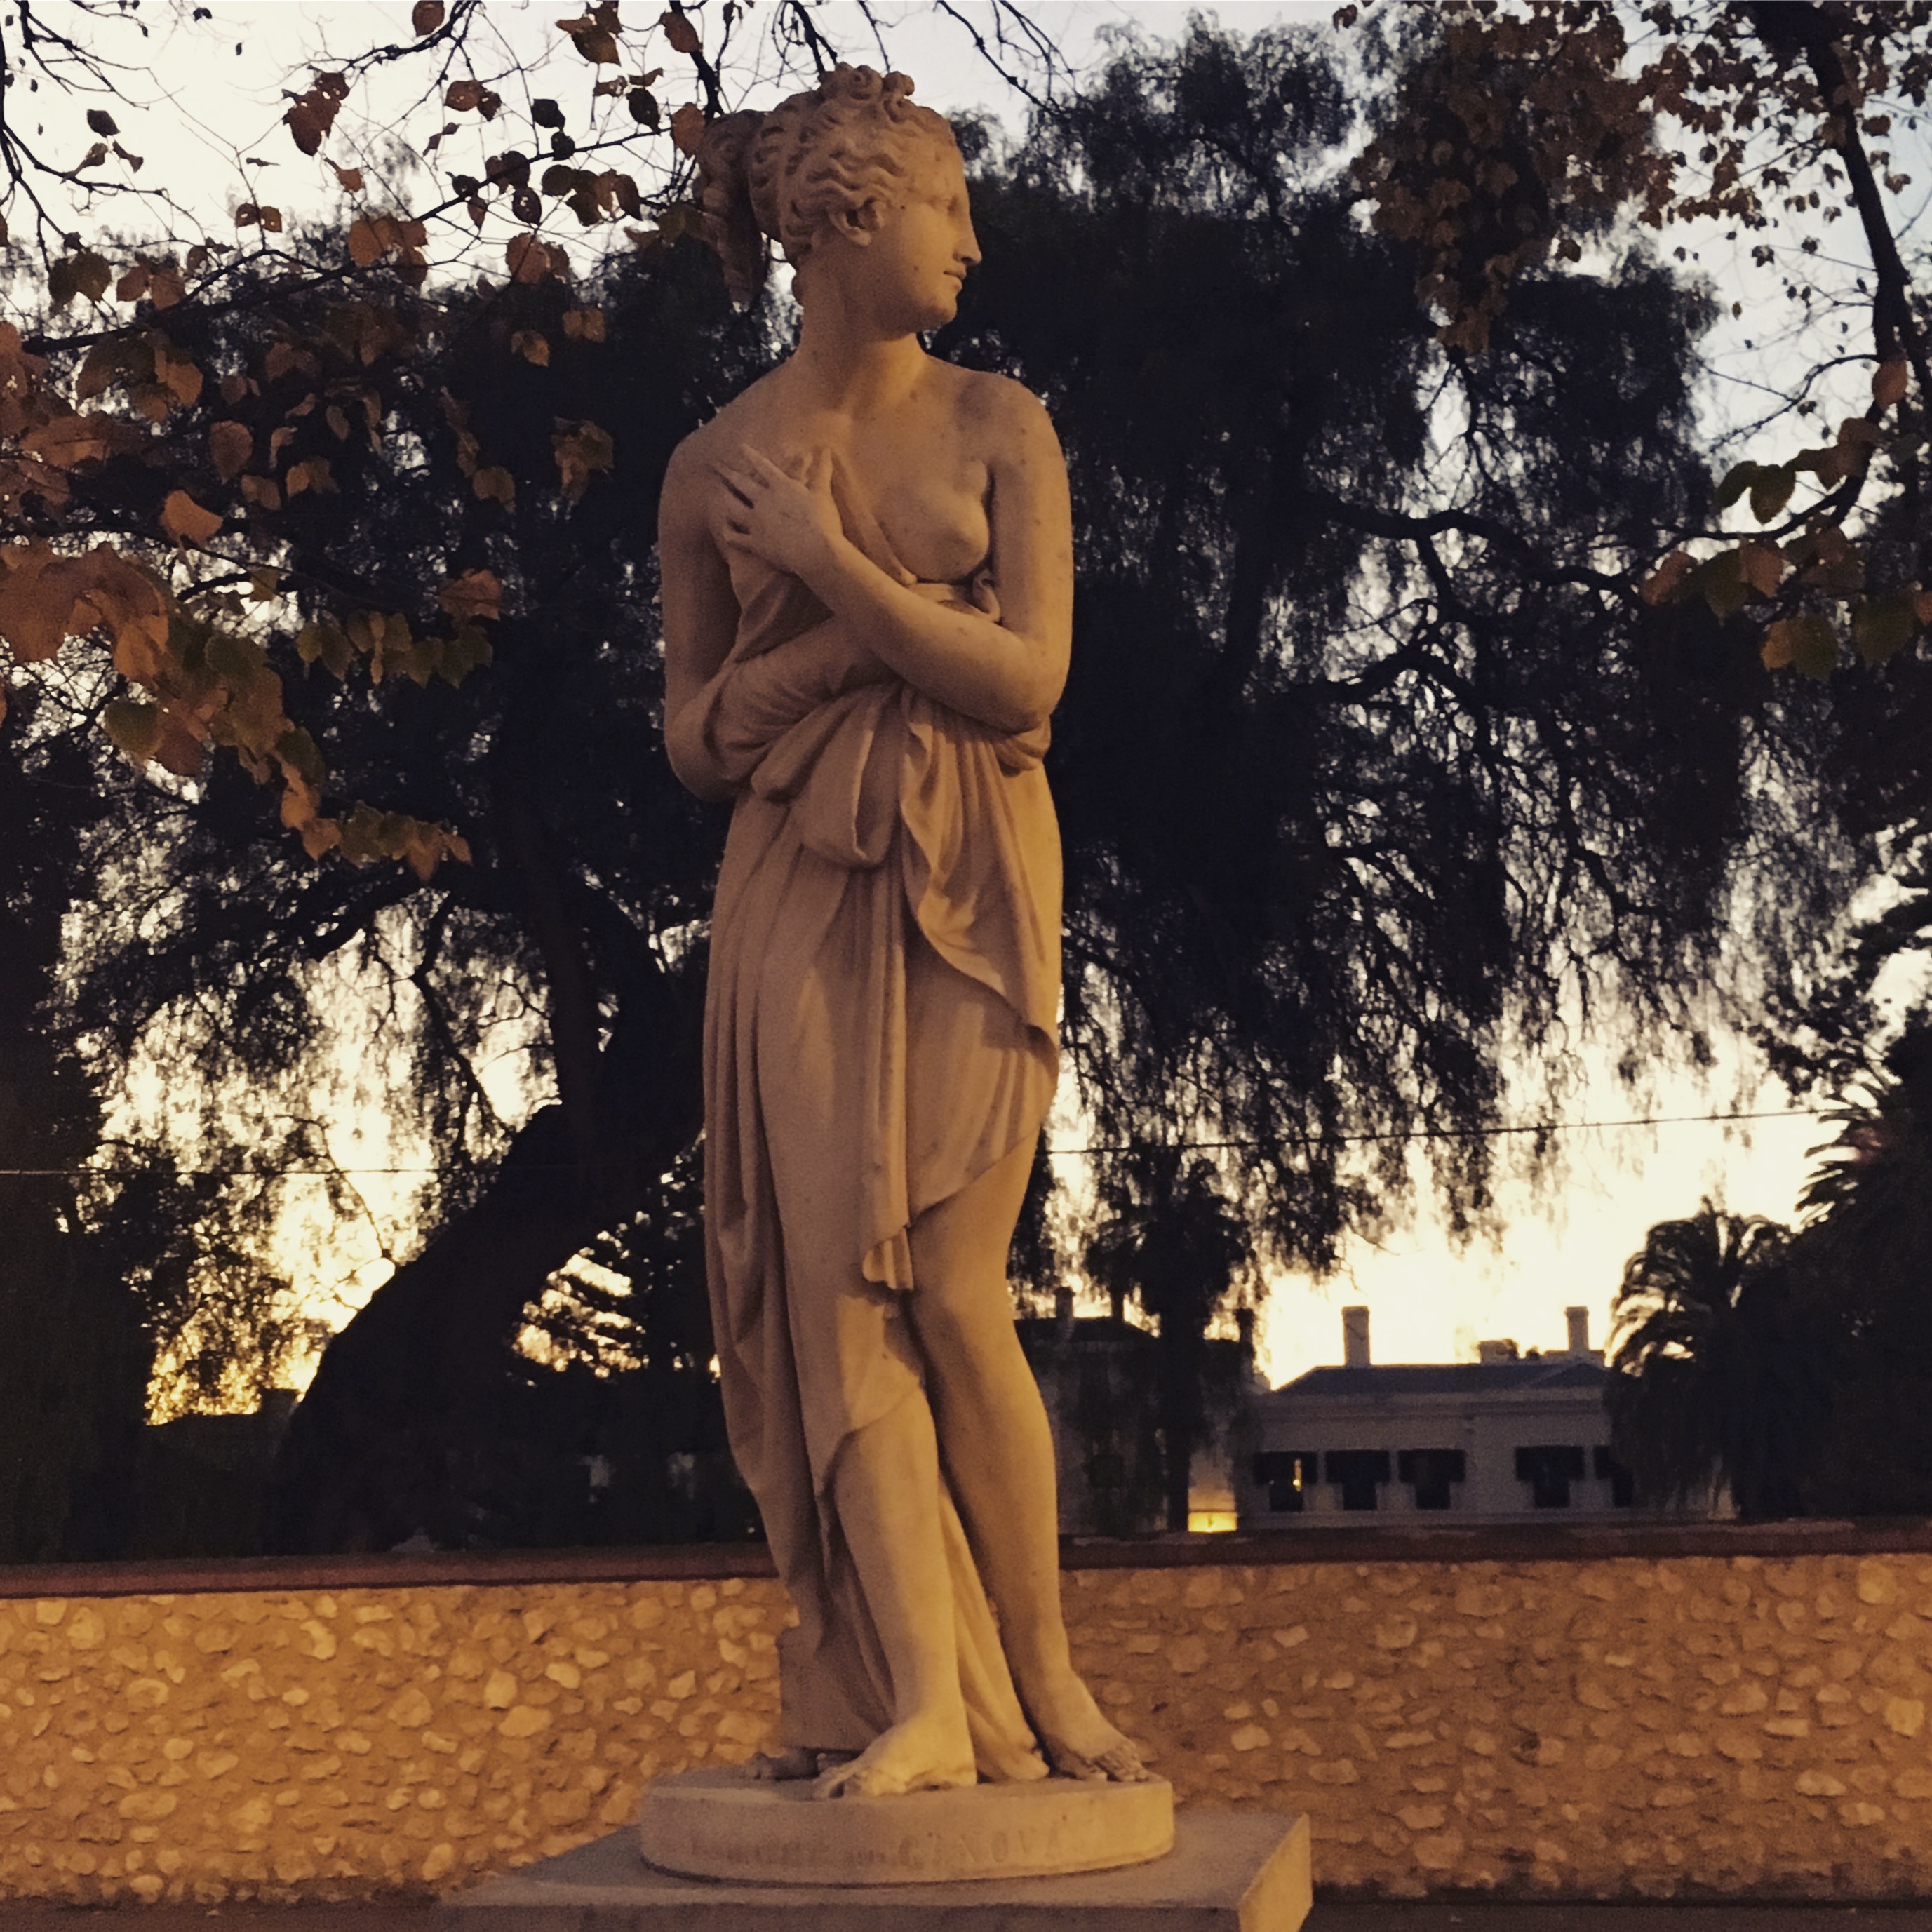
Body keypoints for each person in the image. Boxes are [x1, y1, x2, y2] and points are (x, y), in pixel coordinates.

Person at [657, 64, 1146, 1801]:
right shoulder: (710, 467)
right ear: (849, 219)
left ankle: (1050, 1680)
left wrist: (832, 569)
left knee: (951, 1283)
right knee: (834, 1299)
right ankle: (922, 1702)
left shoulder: (1003, 425)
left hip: (973, 871)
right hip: (798, 885)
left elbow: (1030, 681)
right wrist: (857, 634)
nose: (972, 244)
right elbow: (698, 741)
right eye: (949, 208)